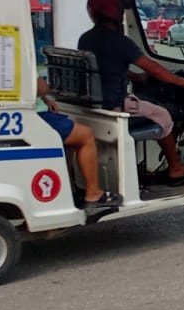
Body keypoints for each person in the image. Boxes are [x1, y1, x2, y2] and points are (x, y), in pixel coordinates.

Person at [79, 0, 184, 184]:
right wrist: (182, 82)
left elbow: (103, 68)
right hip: (114, 107)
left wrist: (135, 77)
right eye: (121, 11)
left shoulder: (86, 38)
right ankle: (176, 168)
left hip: (95, 106)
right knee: (163, 116)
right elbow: (153, 68)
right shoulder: (120, 42)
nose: (122, 15)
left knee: (146, 106)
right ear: (115, 13)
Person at [36, 49, 123, 208]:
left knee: (69, 145)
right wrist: (46, 89)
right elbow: (40, 87)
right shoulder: (14, 51)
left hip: (30, 113)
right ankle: (93, 194)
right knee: (86, 135)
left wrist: (46, 99)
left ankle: (70, 190)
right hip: (37, 117)